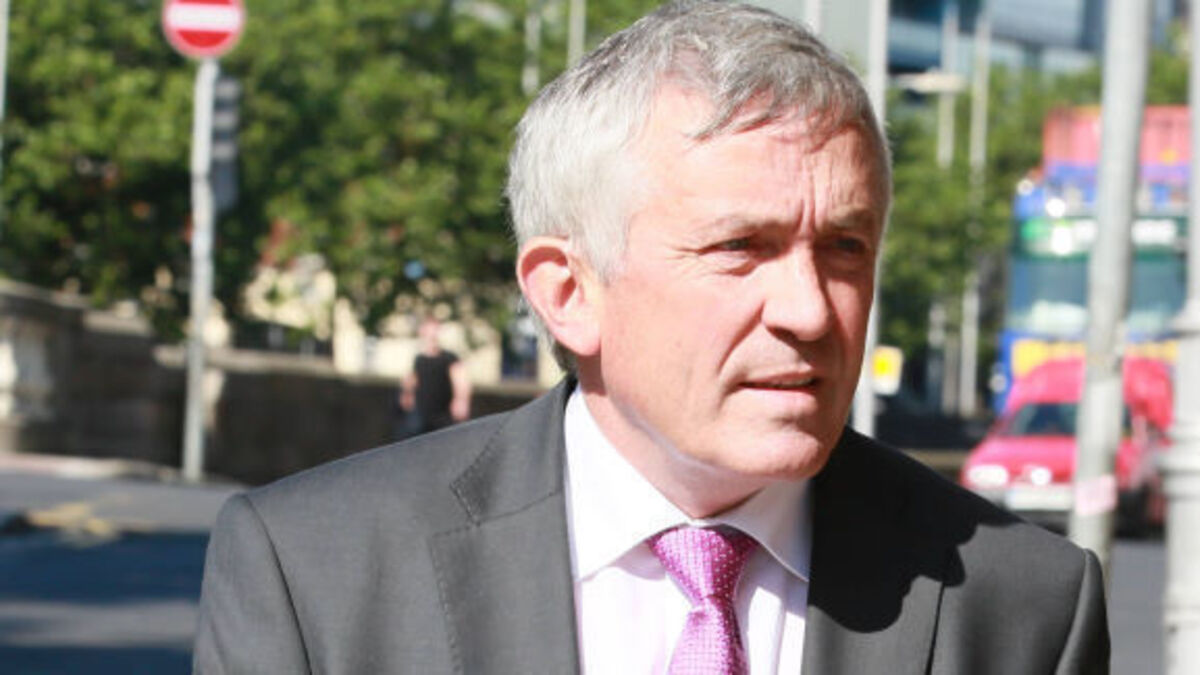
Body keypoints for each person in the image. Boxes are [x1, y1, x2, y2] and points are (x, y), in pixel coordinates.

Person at [193, 2, 1109, 673]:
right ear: (569, 292)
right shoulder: (317, 573)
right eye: (740, 248)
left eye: (845, 247)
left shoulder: (1022, 602)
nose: (810, 309)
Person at [399, 318, 472, 437]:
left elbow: (461, 380)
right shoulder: (419, 359)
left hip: (443, 412)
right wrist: (407, 394)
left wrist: (461, 400)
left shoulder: (449, 357)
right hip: (422, 411)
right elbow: (413, 379)